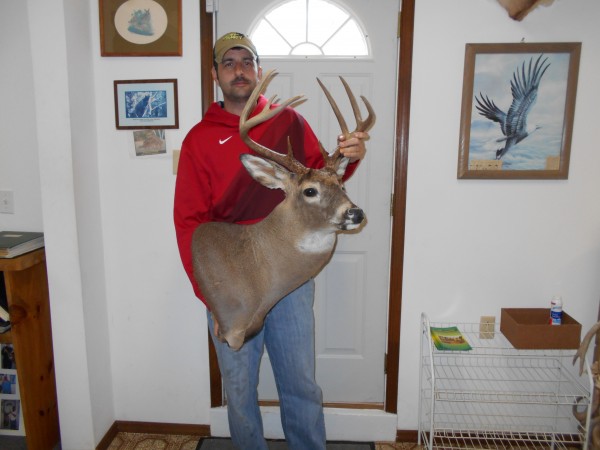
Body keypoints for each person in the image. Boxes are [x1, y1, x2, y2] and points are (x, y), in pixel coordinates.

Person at [174, 32, 369, 449]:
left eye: (247, 61)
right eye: (229, 63)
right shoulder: (199, 139)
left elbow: (322, 182)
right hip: (231, 283)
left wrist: (349, 156)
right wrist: (208, 292)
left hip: (290, 280)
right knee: (240, 390)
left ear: (259, 70)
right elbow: (189, 221)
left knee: (300, 383)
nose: (239, 69)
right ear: (215, 74)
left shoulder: (289, 122)